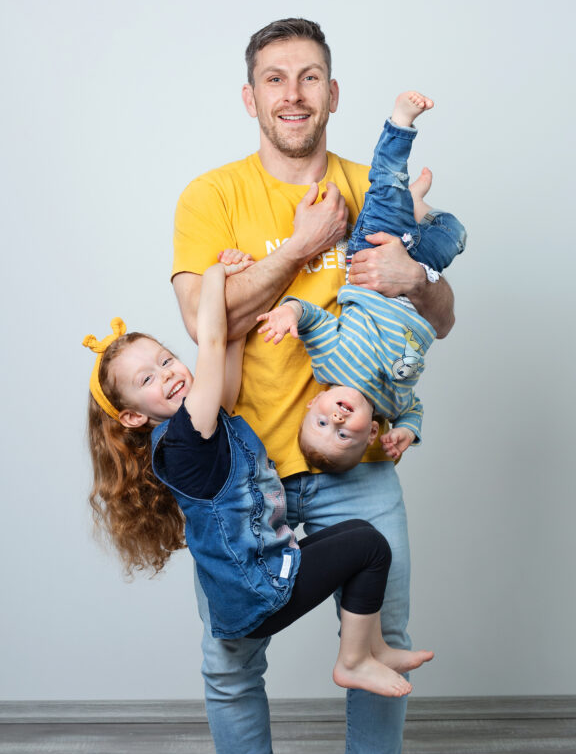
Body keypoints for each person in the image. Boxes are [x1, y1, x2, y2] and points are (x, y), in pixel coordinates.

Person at [172, 18, 456, 754]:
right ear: (250, 96)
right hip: (241, 474)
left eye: (307, 78)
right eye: (274, 78)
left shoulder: (373, 185)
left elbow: (442, 320)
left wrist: (419, 281)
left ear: (332, 94)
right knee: (232, 660)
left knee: (378, 652)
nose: (291, 95)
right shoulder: (211, 196)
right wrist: (299, 249)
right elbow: (211, 322)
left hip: (354, 467)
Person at [83, 255, 434, 701]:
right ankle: (353, 662)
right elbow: (210, 343)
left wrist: (231, 325)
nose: (169, 373)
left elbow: (224, 358)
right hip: (257, 591)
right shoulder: (186, 437)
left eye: (167, 358)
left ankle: (373, 647)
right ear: (133, 416)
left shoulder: (200, 423)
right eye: (147, 378)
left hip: (262, 575)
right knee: (369, 547)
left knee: (361, 536)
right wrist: (215, 274)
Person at [256, 91, 467, 470]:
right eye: (342, 434)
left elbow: (313, 318)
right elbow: (412, 410)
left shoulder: (331, 364)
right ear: (371, 432)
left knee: (386, 187)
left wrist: (288, 313)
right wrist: (407, 433)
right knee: (455, 234)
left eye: (321, 422)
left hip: (368, 262)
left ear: (312, 404)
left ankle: (400, 123)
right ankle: (416, 207)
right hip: (414, 275)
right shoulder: (391, 404)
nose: (335, 421)